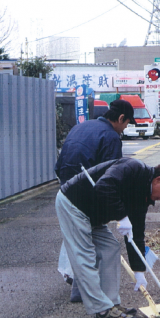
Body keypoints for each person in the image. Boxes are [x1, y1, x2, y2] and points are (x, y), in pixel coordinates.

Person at [55, 158, 160, 318]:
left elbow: (136, 234)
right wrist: (122, 216)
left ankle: (111, 304)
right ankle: (102, 311)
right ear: (159, 180)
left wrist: (139, 271)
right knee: (84, 256)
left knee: (110, 247)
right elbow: (104, 185)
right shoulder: (132, 168)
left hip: (93, 214)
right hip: (74, 204)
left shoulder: (143, 195)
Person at [55, 99, 135, 304]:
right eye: (126, 124)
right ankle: (90, 297)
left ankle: (86, 289)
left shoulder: (82, 126)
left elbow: (60, 163)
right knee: (88, 247)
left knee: (88, 242)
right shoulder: (111, 137)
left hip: (66, 188)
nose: (125, 128)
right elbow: (111, 180)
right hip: (84, 197)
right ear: (120, 118)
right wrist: (121, 214)